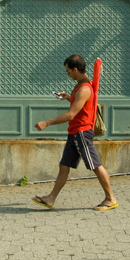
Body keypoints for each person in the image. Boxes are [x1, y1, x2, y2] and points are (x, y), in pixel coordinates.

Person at [32, 54, 118, 211]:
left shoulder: (84, 88)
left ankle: (110, 198)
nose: (68, 74)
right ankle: (50, 199)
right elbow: (82, 106)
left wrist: (47, 122)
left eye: (68, 71)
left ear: (76, 69)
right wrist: (68, 97)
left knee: (95, 165)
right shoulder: (82, 86)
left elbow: (71, 114)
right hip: (75, 133)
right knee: (64, 166)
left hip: (81, 133)